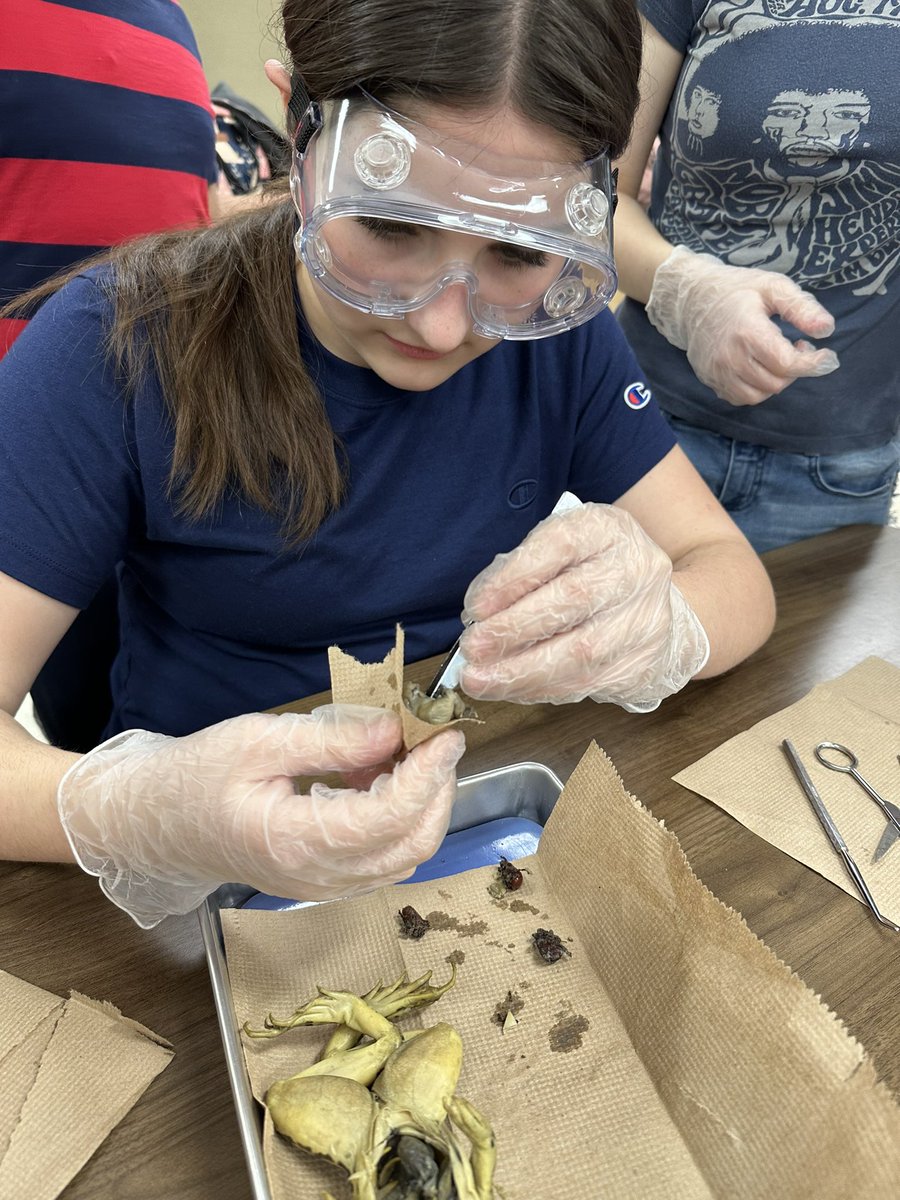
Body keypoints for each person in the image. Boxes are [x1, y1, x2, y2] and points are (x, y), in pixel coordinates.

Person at [0, 0, 775, 930]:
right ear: (297, 134)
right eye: (392, 228)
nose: (443, 324)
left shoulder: (552, 346)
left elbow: (735, 578)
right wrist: (139, 812)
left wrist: (659, 623)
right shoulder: (116, 344)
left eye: (518, 251)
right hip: (197, 890)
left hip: (462, 824)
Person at [1, 0, 220, 752]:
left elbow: (189, 219)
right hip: (28, 474)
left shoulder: (168, 21)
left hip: (174, 466)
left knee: (119, 729)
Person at [613, 5, 900, 554]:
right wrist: (688, 291)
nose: (815, 134)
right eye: (792, 112)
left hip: (836, 463)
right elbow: (587, 198)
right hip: (644, 425)